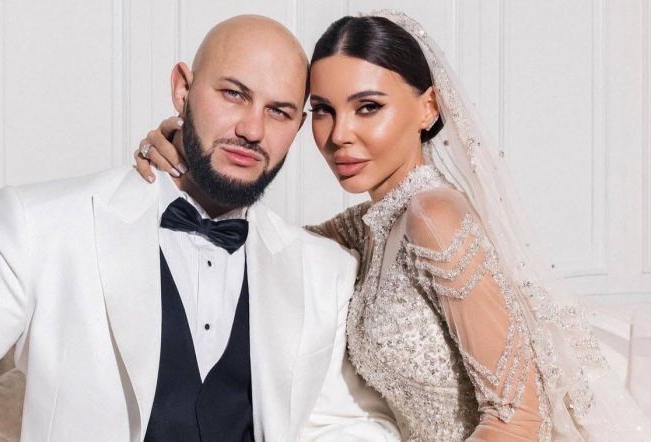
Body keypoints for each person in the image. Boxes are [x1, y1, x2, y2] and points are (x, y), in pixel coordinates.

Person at [0, 15, 400, 442]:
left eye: (278, 111)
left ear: (297, 127)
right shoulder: (45, 224)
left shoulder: (323, 269)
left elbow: (345, 424)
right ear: (183, 89)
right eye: (232, 94)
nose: (251, 128)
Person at [136, 10, 651, 441]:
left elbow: (517, 419)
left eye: (368, 108)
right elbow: (263, 242)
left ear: (428, 107)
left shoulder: (435, 219)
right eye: (323, 111)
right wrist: (188, 152)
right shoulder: (368, 225)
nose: (340, 135)